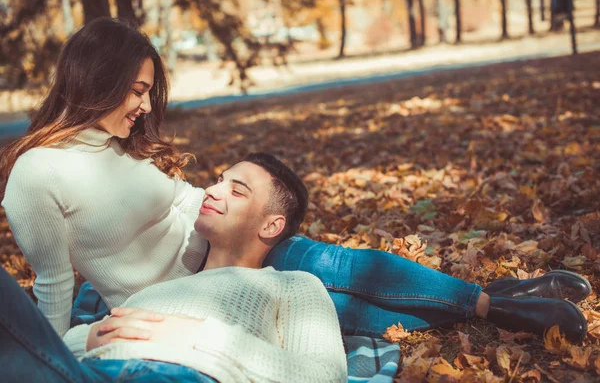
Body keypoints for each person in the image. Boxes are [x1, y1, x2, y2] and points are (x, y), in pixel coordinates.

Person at [0, 18, 589, 345]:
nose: (145, 104)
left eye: (148, 89)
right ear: (95, 80)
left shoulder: (118, 140)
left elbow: (181, 201)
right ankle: (497, 308)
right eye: (134, 90)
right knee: (333, 310)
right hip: (190, 298)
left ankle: (501, 300)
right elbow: (51, 285)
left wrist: (235, 208)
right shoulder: (37, 175)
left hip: (229, 241)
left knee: (345, 265)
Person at [0, 154, 347, 382]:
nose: (212, 190)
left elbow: (325, 376)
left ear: (271, 226)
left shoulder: (293, 285)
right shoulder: (156, 287)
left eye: (236, 191)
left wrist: (197, 336)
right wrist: (88, 336)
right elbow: (64, 346)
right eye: (219, 180)